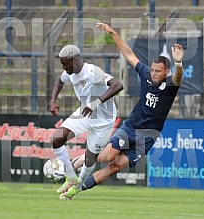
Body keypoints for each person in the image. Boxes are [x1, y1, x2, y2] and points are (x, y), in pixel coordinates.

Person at [60, 23, 184, 199]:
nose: (154, 74)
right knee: (105, 157)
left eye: (158, 71)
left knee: (115, 167)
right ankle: (81, 160)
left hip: (148, 136)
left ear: (167, 72)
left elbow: (179, 77)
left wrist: (178, 62)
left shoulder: (171, 84)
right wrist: (113, 34)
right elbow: (129, 54)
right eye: (153, 70)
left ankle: (75, 190)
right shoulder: (146, 74)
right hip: (131, 127)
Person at [49, 45, 124, 196]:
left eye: (65, 63)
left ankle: (77, 187)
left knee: (90, 158)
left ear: (76, 60)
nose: (64, 67)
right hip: (85, 113)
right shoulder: (69, 72)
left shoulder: (93, 72)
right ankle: (71, 178)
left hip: (104, 120)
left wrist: (95, 103)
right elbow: (59, 80)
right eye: (62, 64)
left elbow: (118, 85)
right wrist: (52, 101)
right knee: (57, 139)